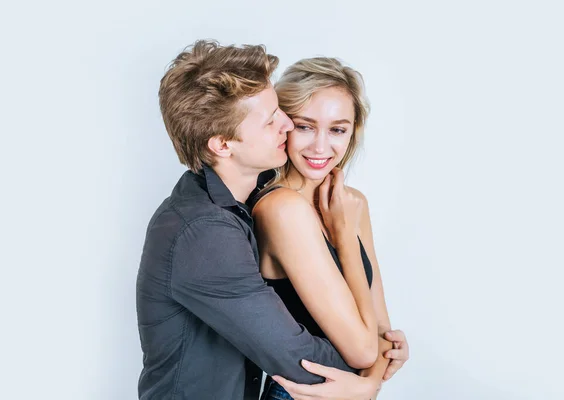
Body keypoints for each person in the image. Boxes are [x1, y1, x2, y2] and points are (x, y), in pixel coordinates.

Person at [136, 40, 408, 400]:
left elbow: (378, 335)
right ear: (222, 144)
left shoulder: (258, 199)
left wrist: (378, 354)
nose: (286, 125)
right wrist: (368, 382)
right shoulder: (205, 231)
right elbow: (309, 356)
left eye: (338, 129)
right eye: (275, 119)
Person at [251, 57, 400, 400]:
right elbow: (362, 352)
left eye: (337, 129)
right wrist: (345, 237)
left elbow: (382, 332)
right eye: (305, 126)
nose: (321, 147)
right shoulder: (280, 208)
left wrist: (368, 386)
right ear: (283, 125)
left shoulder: (352, 203)